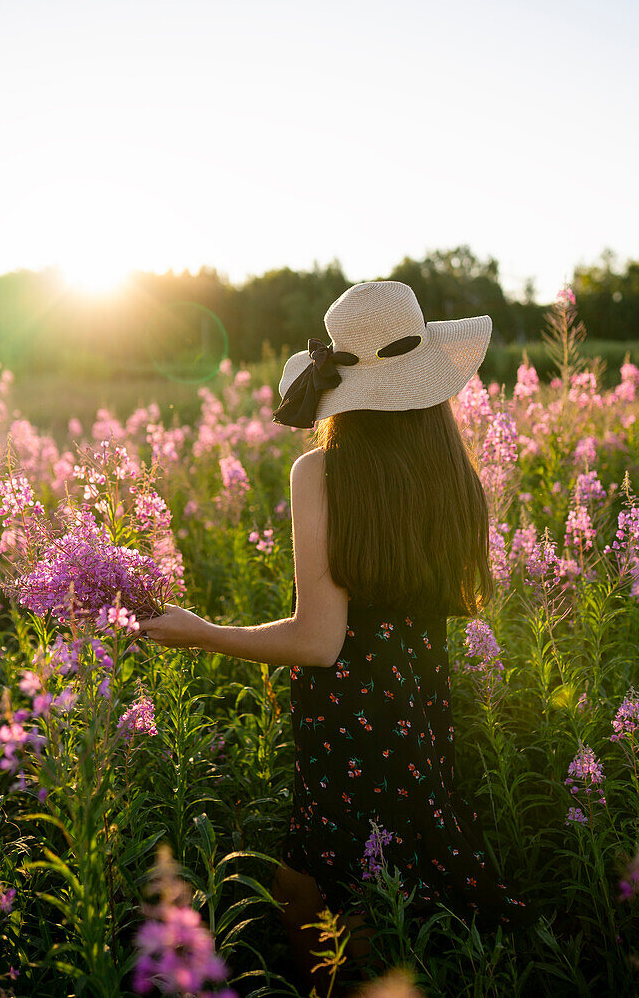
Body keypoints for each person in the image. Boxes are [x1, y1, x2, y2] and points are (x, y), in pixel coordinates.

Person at [139, 280, 541, 991]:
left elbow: (318, 641)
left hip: (348, 723)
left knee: (312, 893)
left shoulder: (320, 470)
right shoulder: (451, 473)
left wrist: (204, 633)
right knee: (409, 868)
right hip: (417, 706)